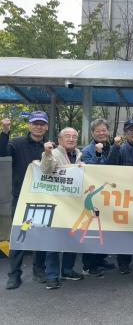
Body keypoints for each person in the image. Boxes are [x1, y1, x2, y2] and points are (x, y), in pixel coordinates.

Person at [1, 112, 48, 290]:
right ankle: (14, 275)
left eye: (42, 124)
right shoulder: (17, 143)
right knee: (20, 236)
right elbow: (2, 152)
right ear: (29, 125)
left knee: (41, 235)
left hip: (43, 199)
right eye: (35, 123)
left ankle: (39, 270)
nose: (38, 127)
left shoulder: (50, 146)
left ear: (46, 127)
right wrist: (5, 131)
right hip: (21, 199)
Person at [40, 128, 84, 290]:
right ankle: (51, 276)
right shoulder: (53, 153)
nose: (71, 139)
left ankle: (67, 270)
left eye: (74, 137)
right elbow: (46, 170)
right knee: (54, 241)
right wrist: (47, 154)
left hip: (73, 204)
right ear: (59, 140)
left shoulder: (78, 154)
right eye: (67, 136)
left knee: (72, 238)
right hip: (57, 204)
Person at [106, 119, 133, 275]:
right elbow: (110, 167)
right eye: (130, 131)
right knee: (125, 231)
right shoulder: (120, 149)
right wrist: (115, 147)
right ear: (125, 133)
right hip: (125, 197)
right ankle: (123, 262)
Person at [80, 118, 116, 276]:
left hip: (109, 196)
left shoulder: (112, 148)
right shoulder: (87, 150)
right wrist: (98, 153)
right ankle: (88, 265)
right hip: (94, 197)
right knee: (93, 228)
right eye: (98, 131)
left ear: (108, 131)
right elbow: (92, 171)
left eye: (104, 130)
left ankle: (100, 259)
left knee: (105, 229)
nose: (102, 133)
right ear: (92, 133)